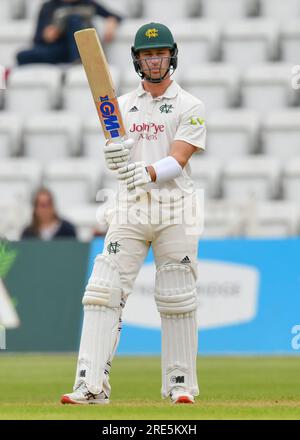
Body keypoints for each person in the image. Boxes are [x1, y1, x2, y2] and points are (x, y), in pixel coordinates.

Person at [61, 22, 206, 405]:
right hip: (129, 207)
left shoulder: (191, 105)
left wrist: (150, 171)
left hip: (175, 208)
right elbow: (120, 156)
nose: (154, 61)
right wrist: (114, 157)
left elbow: (180, 157)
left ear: (170, 56)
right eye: (147, 55)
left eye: (159, 54)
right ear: (137, 60)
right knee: (103, 290)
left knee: (177, 292)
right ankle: (90, 384)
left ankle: (179, 384)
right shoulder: (122, 105)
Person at [17, 0, 122, 65]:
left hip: (82, 50)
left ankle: (78, 60)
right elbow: (38, 38)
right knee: (22, 56)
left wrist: (111, 22)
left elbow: (115, 16)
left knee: (74, 19)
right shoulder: (49, 7)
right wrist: (48, 35)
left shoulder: (87, 3)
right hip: (58, 50)